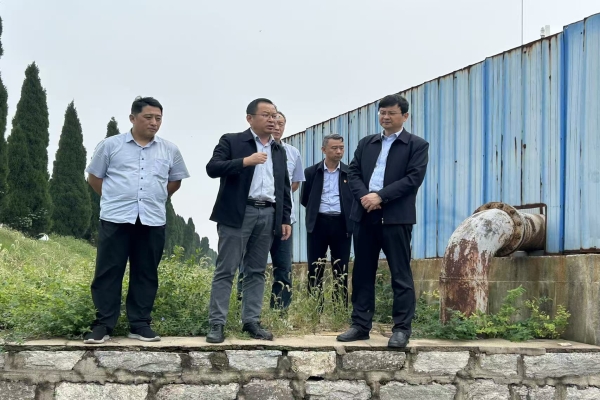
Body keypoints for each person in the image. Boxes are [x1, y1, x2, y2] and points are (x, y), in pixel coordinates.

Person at [83, 96, 190, 344]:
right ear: (132, 118)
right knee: (108, 271)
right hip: (116, 218)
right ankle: (103, 325)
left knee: (146, 272)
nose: (154, 123)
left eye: (158, 118)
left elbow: (175, 181)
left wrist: (155, 198)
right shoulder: (110, 146)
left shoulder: (170, 149)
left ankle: (140, 324)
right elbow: (94, 178)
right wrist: (114, 198)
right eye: (148, 117)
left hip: (152, 219)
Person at [337, 94, 429, 348]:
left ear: (405, 116)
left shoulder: (416, 145)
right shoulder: (367, 143)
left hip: (396, 217)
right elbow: (353, 172)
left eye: (391, 113)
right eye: (382, 113)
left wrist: (381, 196)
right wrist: (365, 197)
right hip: (365, 215)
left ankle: (401, 329)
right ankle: (360, 325)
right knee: (362, 272)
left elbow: (412, 179)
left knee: (400, 273)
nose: (385, 117)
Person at [206, 98, 292, 343]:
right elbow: (213, 168)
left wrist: (284, 217)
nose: (272, 120)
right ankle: (217, 323)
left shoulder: (278, 149)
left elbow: (283, 186)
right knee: (226, 269)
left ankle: (251, 322)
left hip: (268, 214)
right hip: (238, 213)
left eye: (274, 115)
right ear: (250, 118)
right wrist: (246, 161)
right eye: (266, 115)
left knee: (256, 271)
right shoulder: (232, 141)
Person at [237, 111, 304, 309]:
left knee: (283, 266)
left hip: (283, 219)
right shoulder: (251, 149)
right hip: (255, 214)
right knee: (248, 264)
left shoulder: (292, 153)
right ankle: (243, 309)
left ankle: (279, 311)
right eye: (273, 122)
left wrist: (279, 201)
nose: (276, 126)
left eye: (281, 123)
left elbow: (293, 184)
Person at [300, 134, 354, 309]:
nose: (339, 151)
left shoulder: (350, 173)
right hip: (318, 224)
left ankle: (340, 309)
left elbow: (353, 198)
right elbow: (305, 199)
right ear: (324, 150)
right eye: (334, 148)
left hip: (342, 224)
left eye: (341, 148)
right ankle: (315, 308)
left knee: (341, 268)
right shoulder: (311, 172)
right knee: (315, 268)